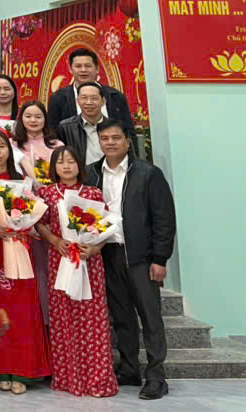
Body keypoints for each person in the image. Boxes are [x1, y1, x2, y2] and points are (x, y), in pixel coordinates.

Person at [88, 119, 175, 401]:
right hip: (107, 253)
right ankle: (128, 369)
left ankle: (156, 376)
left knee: (150, 317)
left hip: (140, 256)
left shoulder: (148, 174)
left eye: (116, 138)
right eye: (105, 138)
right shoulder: (91, 174)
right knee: (121, 315)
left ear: (128, 141)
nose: (110, 143)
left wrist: (160, 258)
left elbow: (163, 218)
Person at [35, 145, 117, 397]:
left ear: (79, 165)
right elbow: (40, 224)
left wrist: (94, 249)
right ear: (54, 167)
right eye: (61, 162)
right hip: (60, 259)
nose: (66, 166)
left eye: (71, 161)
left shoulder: (93, 193)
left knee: (93, 317)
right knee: (64, 316)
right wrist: (55, 240)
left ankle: (97, 378)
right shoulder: (46, 193)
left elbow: (105, 227)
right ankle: (68, 377)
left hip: (88, 261)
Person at [0, 129, 50, 393]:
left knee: (22, 309)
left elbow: (36, 216)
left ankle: (23, 370)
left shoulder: (22, 181)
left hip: (20, 250)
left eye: (1, 146)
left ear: (10, 151)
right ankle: (0, 370)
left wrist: (22, 226)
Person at [46, 48, 134, 134]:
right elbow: (53, 134)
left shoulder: (115, 96)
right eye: (78, 66)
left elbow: (129, 132)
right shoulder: (58, 98)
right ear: (70, 69)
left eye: (88, 66)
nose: (83, 70)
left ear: (97, 69)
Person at [57, 82, 135, 167]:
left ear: (103, 101)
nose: (89, 102)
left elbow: (130, 155)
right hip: (81, 173)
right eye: (84, 98)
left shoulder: (117, 127)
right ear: (77, 101)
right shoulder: (65, 128)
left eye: (94, 98)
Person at [14, 100, 60, 184]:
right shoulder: (12, 144)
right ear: (21, 118)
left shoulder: (57, 145)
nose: (33, 120)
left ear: (45, 119)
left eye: (38, 117)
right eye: (28, 116)